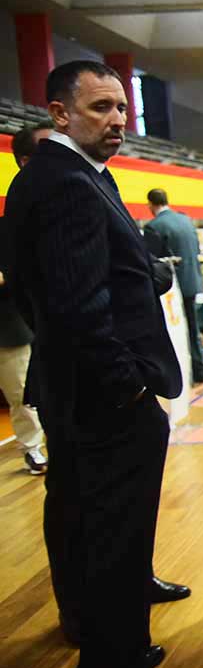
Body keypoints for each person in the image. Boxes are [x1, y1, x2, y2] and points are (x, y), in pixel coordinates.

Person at [3, 60, 203, 668]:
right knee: (117, 544)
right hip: (106, 401)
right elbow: (78, 308)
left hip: (77, 393)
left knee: (92, 537)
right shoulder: (68, 183)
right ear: (59, 113)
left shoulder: (52, 178)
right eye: (101, 107)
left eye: (123, 107)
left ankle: (107, 652)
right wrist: (128, 389)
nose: (119, 120)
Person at [1, 120, 52, 474]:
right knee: (22, 392)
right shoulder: (9, 222)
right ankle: (33, 447)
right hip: (12, 326)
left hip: (48, 325)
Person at [144, 189, 203, 384]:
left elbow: (151, 261)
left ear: (151, 204)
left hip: (171, 290)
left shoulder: (154, 226)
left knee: (175, 334)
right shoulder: (185, 220)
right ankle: (200, 370)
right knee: (193, 330)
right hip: (192, 283)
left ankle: (180, 376)